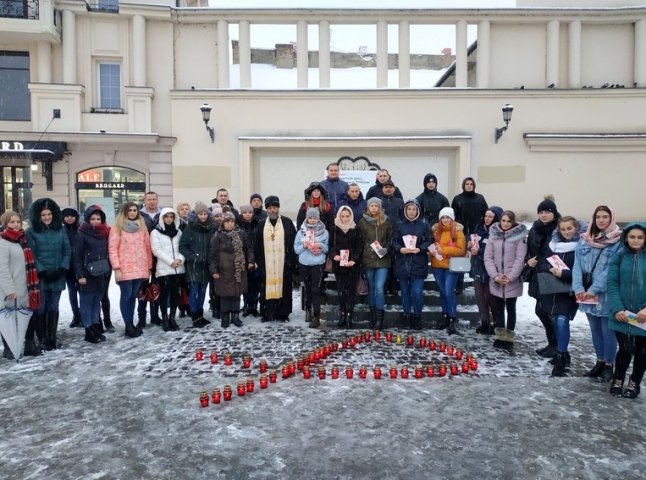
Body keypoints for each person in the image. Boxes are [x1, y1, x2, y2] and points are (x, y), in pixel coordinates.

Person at [572, 205, 622, 382]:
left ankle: (609, 364)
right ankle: (599, 362)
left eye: (605, 217)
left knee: (608, 331)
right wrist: (578, 288)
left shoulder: (618, 241)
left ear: (611, 219)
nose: (601, 220)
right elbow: (577, 265)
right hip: (585, 294)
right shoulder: (585, 239)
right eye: (598, 217)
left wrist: (593, 290)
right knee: (594, 330)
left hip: (605, 294)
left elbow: (611, 270)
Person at [537, 216, 585, 376]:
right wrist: (550, 269)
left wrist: (563, 273)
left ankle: (561, 355)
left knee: (562, 320)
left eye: (569, 228)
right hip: (553, 289)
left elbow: (584, 272)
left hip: (569, 290)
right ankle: (562, 352)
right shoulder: (554, 245)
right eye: (563, 229)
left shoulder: (582, 246)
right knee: (556, 320)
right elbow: (542, 263)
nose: (566, 232)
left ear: (576, 228)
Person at [26, 197, 71, 351]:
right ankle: (43, 338)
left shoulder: (61, 229)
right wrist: (42, 271)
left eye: (49, 214)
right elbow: (31, 253)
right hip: (41, 277)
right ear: (38, 216)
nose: (46, 217)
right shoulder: (31, 232)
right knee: (41, 308)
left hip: (58, 274)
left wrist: (62, 268)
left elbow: (67, 250)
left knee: (54, 306)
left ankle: (52, 337)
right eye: (43, 215)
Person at [607, 223, 646, 398]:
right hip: (621, 314)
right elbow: (612, 284)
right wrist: (617, 309)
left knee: (642, 351)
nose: (635, 240)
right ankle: (618, 379)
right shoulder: (619, 256)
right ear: (626, 238)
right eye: (632, 237)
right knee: (625, 348)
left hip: (643, 316)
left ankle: (635, 382)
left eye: (640, 237)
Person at [108, 201, 153, 338]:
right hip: (125, 268)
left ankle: (131, 324)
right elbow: (112, 249)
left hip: (140, 268)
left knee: (133, 297)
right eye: (130, 210)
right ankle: (128, 324)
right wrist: (116, 268)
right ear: (125, 212)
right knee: (126, 296)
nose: (133, 212)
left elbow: (147, 248)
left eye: (135, 210)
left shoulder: (142, 227)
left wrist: (149, 267)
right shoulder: (117, 228)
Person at [484, 210, 528, 350]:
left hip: (511, 279)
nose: (505, 223)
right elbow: (488, 257)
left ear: (513, 222)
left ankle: (509, 337)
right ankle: (500, 335)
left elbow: (520, 259)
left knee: (511, 308)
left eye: (508, 221)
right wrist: (495, 276)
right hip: (497, 278)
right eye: (503, 220)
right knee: (498, 309)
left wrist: (511, 277)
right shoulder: (493, 236)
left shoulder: (519, 238)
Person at [0, 211, 41, 358]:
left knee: (27, 316)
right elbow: (2, 269)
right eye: (12, 222)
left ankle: (29, 345)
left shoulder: (22, 240)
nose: (16, 224)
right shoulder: (3, 242)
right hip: (10, 290)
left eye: (18, 221)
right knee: (9, 319)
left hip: (26, 287)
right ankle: (9, 347)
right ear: (5, 224)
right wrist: (9, 289)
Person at [524, 196, 561, 358]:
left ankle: (559, 346)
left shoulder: (558, 229)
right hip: (536, 273)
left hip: (551, 274)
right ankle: (552, 344)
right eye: (541, 212)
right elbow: (530, 248)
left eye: (547, 212)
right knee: (541, 310)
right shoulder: (535, 228)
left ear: (554, 213)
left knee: (548, 311)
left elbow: (554, 252)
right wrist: (529, 261)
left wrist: (538, 261)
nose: (544, 215)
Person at [72, 205, 112, 344]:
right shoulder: (81, 233)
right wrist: (80, 275)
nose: (95, 221)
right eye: (93, 218)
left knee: (96, 302)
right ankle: (88, 329)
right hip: (87, 273)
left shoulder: (106, 233)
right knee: (86, 302)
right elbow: (76, 256)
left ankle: (95, 326)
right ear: (87, 219)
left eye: (98, 219)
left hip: (102, 273)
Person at [255, 195, 297, 322]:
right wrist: (259, 261)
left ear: (278, 208)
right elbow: (257, 244)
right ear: (267, 209)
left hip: (283, 263)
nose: (272, 210)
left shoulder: (287, 222)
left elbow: (293, 243)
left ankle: (283, 314)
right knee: (266, 288)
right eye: (270, 208)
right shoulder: (261, 224)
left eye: (275, 207)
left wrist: (291, 261)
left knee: (283, 288)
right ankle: (267, 313)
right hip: (266, 264)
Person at [209, 212, 255, 328]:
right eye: (227, 222)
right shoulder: (217, 236)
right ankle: (225, 318)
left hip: (238, 269)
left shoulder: (241, 234)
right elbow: (212, 255)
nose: (229, 224)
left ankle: (235, 317)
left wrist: (250, 261)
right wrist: (214, 270)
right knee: (225, 295)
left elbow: (249, 249)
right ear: (223, 223)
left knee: (236, 294)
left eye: (232, 222)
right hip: (224, 270)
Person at [392, 199, 432, 330]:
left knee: (417, 292)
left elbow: (429, 241)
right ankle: (406, 315)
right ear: (405, 210)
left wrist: (420, 248)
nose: (411, 211)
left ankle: (417, 317)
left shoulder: (424, 225)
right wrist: (399, 249)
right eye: (409, 209)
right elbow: (393, 241)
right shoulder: (399, 225)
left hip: (418, 262)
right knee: (404, 292)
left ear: (418, 211)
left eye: (414, 209)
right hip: (403, 262)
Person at [429, 207, 466, 335]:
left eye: (448, 217)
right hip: (437, 264)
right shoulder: (435, 230)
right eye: (443, 217)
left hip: (451, 265)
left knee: (449, 291)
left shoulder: (458, 231)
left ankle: (452, 319)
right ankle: (445, 316)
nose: (445, 220)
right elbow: (431, 245)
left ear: (452, 218)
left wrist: (443, 250)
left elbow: (461, 250)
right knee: (443, 291)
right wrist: (431, 251)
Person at [357, 197, 393, 330]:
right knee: (371, 288)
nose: (373, 208)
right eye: (371, 206)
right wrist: (365, 250)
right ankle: (372, 316)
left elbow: (390, 238)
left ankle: (379, 319)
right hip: (368, 259)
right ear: (368, 207)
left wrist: (386, 249)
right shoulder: (362, 221)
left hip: (383, 259)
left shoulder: (386, 221)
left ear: (379, 208)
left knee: (379, 288)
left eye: (376, 206)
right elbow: (359, 240)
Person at [178, 202, 215, 328]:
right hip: (194, 265)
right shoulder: (190, 227)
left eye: (205, 214)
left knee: (203, 291)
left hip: (206, 265)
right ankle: (195, 316)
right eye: (200, 214)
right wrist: (193, 256)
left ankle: (200, 315)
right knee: (194, 291)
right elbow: (183, 246)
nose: (203, 216)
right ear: (196, 215)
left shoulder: (211, 227)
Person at [451, 177, 488, 295]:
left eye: (471, 184)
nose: (469, 186)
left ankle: (478, 283)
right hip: (462, 232)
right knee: (461, 258)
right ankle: (459, 285)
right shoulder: (457, 199)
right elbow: (453, 216)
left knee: (477, 257)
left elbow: (486, 214)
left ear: (474, 185)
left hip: (477, 233)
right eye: (467, 184)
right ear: (463, 185)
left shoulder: (480, 198)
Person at [469, 206, 503, 335]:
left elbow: (497, 251)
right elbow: (473, 243)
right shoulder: (479, 229)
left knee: (491, 298)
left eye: (491, 216)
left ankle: (496, 323)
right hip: (477, 266)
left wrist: (480, 251)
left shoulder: (498, 233)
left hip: (491, 269)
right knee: (480, 297)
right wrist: (470, 246)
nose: (487, 219)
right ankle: (484, 322)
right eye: (486, 216)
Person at [150, 207, 184, 332]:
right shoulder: (156, 232)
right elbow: (156, 250)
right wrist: (171, 262)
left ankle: (172, 318)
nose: (169, 219)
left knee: (175, 294)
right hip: (164, 269)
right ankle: (164, 318)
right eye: (166, 217)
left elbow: (183, 247)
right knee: (164, 295)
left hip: (178, 268)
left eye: (171, 217)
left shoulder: (178, 232)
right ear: (162, 218)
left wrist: (180, 260)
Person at [294, 208, 329, 329]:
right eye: (310, 218)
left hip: (318, 264)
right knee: (307, 289)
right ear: (307, 218)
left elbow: (327, 249)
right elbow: (296, 249)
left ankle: (316, 315)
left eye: (315, 218)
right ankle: (308, 309)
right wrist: (304, 245)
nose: (312, 220)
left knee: (316, 290)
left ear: (318, 218)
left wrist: (320, 246)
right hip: (304, 263)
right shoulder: (301, 232)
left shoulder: (324, 232)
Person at [330, 205, 363, 329]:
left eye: (347, 216)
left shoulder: (356, 229)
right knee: (341, 291)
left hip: (352, 266)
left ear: (351, 216)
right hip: (339, 266)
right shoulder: (334, 229)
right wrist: (334, 256)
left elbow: (359, 247)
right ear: (339, 216)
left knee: (351, 292)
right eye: (342, 216)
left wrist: (354, 260)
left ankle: (349, 314)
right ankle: (342, 314)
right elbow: (330, 246)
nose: (345, 218)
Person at [137, 191, 161, 328]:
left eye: (154, 199)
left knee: (157, 287)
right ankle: (141, 317)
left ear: (157, 200)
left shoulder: (162, 214)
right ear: (145, 201)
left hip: (158, 256)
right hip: (143, 256)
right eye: (149, 199)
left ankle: (155, 315)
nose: (151, 201)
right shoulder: (139, 215)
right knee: (142, 288)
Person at [237, 204, 261, 317]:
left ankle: (254, 306)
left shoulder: (258, 224)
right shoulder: (237, 226)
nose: (248, 215)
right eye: (245, 212)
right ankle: (247, 305)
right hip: (243, 259)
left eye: (250, 212)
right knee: (245, 285)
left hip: (256, 258)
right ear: (242, 214)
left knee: (255, 285)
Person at [62, 206, 82, 329]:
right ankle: (76, 316)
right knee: (72, 292)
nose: (70, 218)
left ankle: (84, 316)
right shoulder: (61, 230)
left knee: (83, 292)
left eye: (72, 216)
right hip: (68, 267)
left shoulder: (81, 229)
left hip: (80, 266)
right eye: (67, 216)